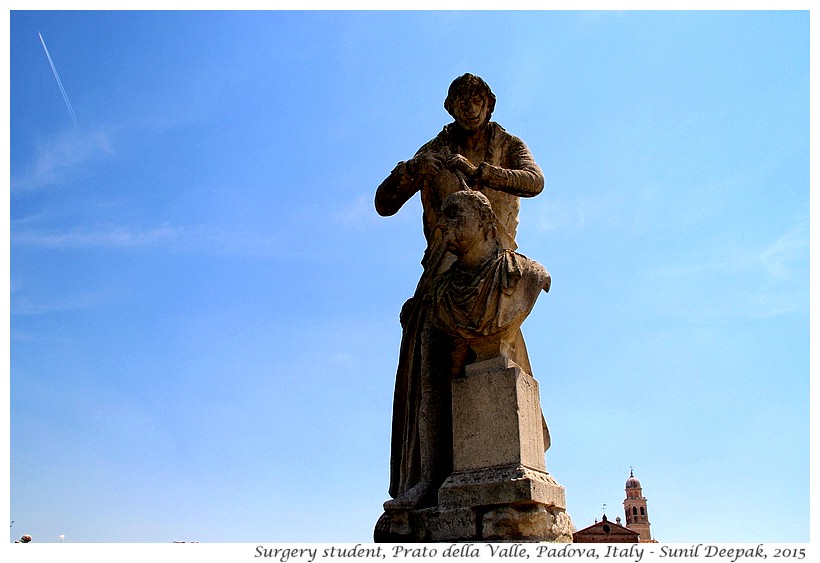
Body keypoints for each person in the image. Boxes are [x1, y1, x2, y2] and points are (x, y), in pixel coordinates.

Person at [375, 74, 545, 509]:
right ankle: (429, 479)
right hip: (441, 270)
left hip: (494, 260)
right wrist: (415, 169)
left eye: (477, 98)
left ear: (489, 103)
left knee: (492, 354)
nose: (469, 105)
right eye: (460, 99)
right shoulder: (435, 148)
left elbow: (534, 180)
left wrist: (482, 173)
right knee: (430, 364)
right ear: (449, 106)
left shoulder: (506, 143)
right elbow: (384, 202)